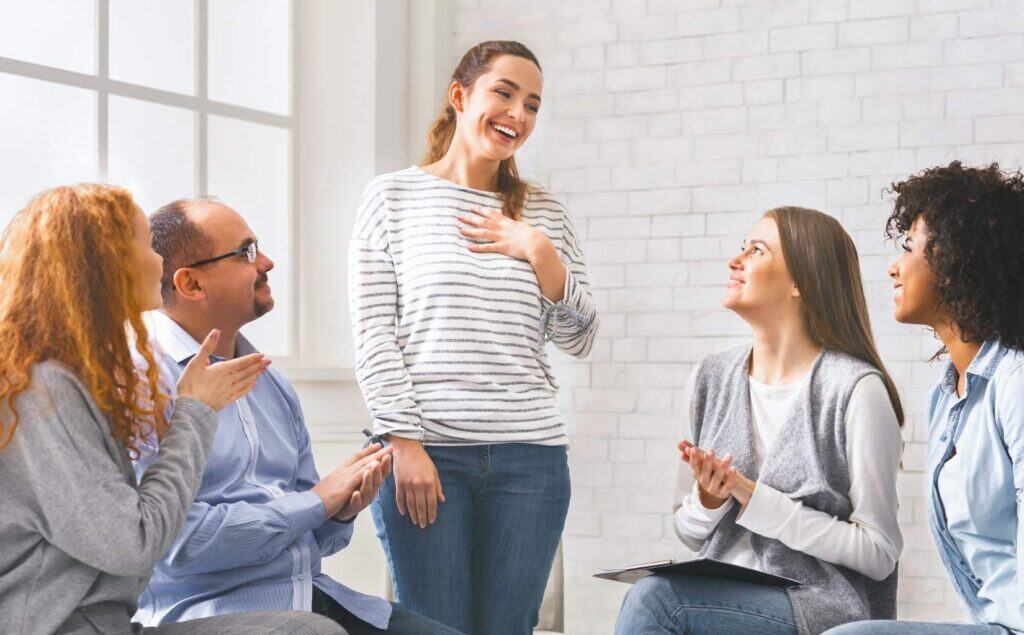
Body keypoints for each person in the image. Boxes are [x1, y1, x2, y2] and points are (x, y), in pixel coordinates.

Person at [0, 184, 342, 634]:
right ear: (100, 264)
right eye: (143, 244)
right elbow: (136, 545)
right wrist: (195, 411)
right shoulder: (41, 390)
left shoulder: (73, 377)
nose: (159, 260)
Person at [348, 40, 599, 633]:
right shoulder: (392, 198)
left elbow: (580, 337)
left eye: (533, 105)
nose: (519, 115)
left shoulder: (545, 213)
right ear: (461, 97)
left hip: (531, 462)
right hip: (428, 457)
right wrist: (403, 441)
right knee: (433, 626)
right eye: (504, 93)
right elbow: (374, 335)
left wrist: (538, 252)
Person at [134, 198, 460, 635]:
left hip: (311, 594)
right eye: (245, 252)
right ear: (191, 283)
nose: (266, 262)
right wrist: (318, 502)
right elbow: (178, 545)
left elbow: (311, 540)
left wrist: (341, 508)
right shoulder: (140, 384)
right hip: (210, 614)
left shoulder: (273, 386)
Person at [615, 207, 904, 635]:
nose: (736, 261)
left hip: (817, 605)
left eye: (757, 250)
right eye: (741, 248)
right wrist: (710, 501)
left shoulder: (855, 390)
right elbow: (689, 532)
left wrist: (758, 501)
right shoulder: (709, 377)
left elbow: (879, 553)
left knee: (658, 599)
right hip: (720, 598)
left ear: (799, 283)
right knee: (658, 594)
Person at [825, 163, 1024, 635]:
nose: (894, 266)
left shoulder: (1014, 384)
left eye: (910, 248)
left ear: (958, 262)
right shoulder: (947, 396)